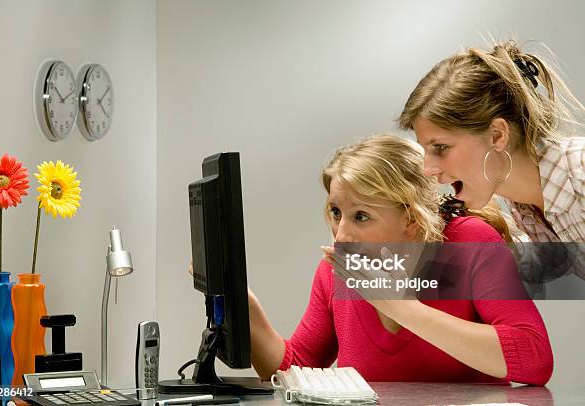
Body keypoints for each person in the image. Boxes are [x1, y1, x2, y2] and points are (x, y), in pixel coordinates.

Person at [247, 135, 553, 386]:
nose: (340, 237)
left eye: (361, 216)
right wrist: (244, 310)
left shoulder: (469, 242)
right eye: (336, 213)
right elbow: (297, 368)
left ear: (410, 218)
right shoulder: (335, 271)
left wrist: (402, 308)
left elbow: (535, 357)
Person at [397, 40, 584, 246]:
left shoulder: (580, 174)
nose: (427, 169)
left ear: (497, 136)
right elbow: (550, 268)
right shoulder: (523, 208)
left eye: (441, 147)